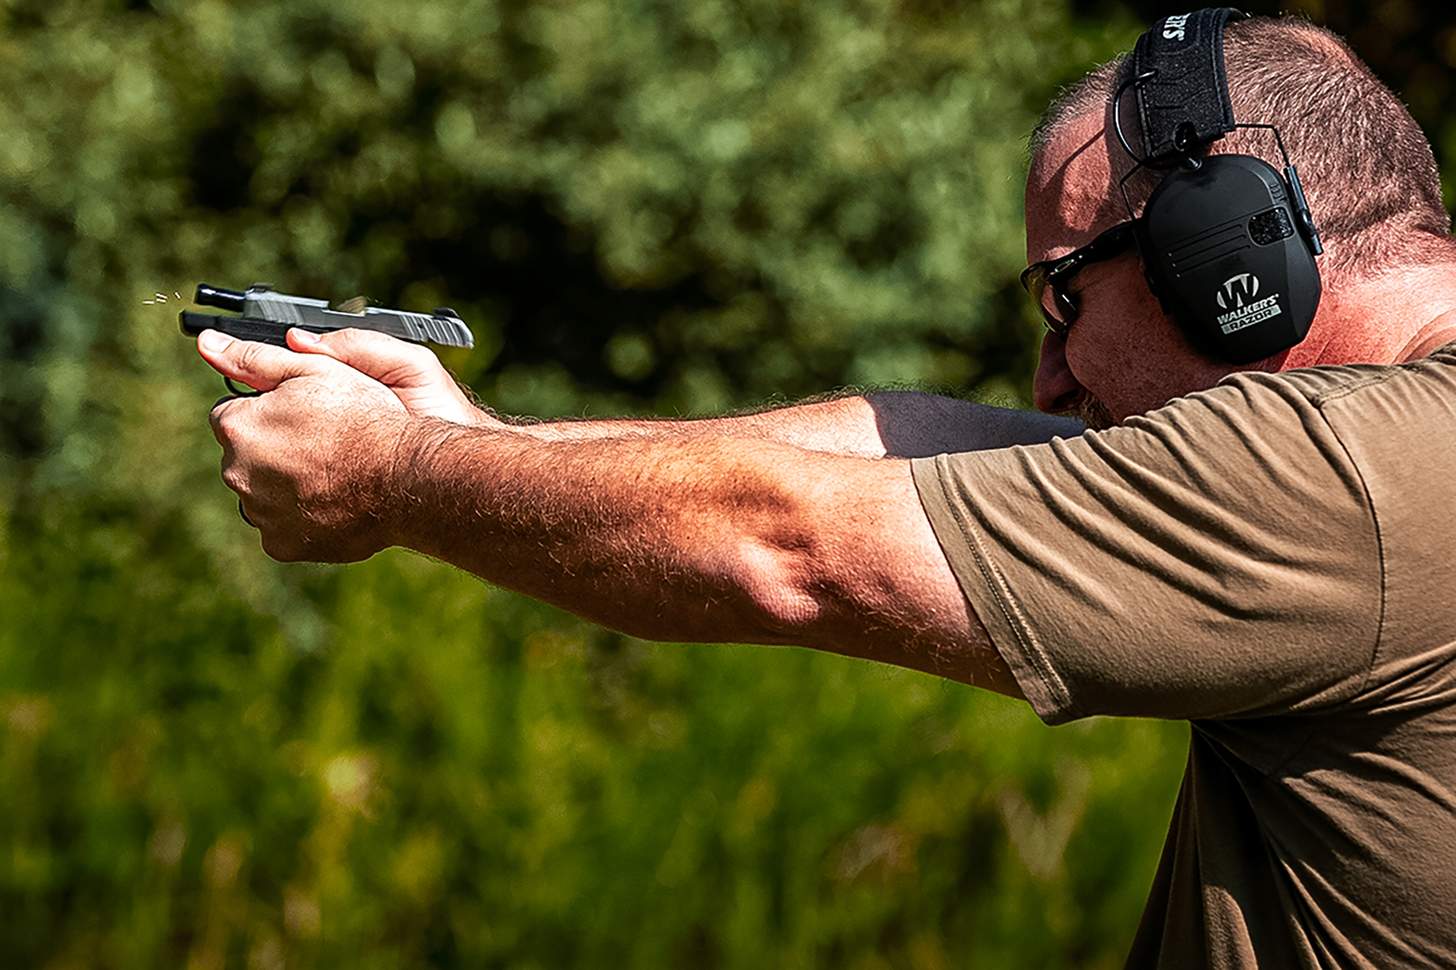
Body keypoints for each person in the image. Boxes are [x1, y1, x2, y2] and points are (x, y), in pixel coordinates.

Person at [199, 12, 1456, 968]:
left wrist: (396, 479)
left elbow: (786, 548)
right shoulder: (1398, 445)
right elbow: (929, 444)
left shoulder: (1356, 476)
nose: (1053, 370)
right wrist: (476, 437)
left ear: (1223, 249)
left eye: (1064, 295)